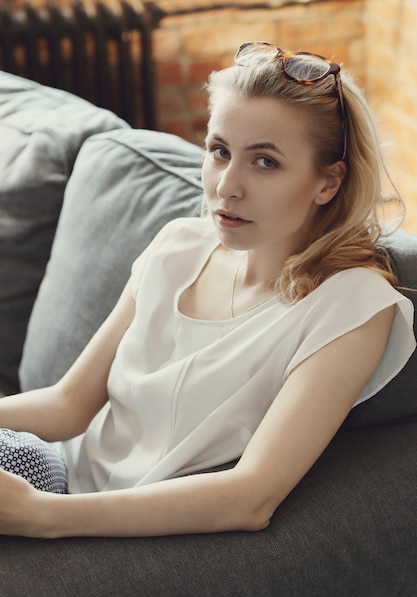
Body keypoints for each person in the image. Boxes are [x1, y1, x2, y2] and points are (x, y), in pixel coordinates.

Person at [0, 41, 415, 539]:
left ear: (327, 183)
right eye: (220, 152)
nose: (226, 186)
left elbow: (251, 496)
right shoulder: (178, 246)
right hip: (50, 474)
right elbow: (68, 405)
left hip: (82, 524)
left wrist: (40, 515)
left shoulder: (353, 305)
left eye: (265, 162)